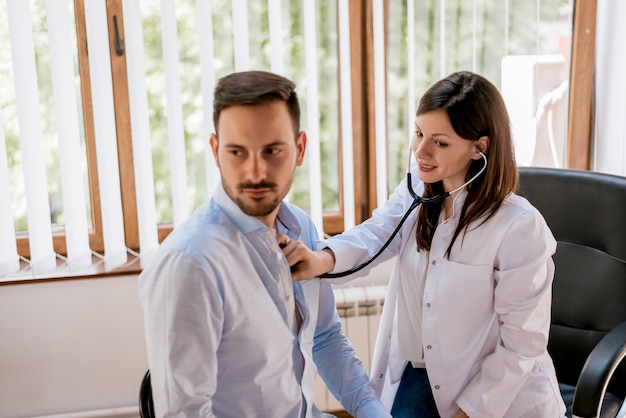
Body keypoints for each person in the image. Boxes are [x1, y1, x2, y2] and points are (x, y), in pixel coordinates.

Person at [282, 71, 567, 418]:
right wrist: (321, 259)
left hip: (498, 394)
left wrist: (469, 412)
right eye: (419, 133)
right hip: (421, 375)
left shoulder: (519, 228)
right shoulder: (417, 192)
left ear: (480, 147)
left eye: (440, 142)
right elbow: (375, 234)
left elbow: (522, 347)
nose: (421, 150)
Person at [139, 70, 390, 418]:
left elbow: (325, 338)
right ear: (215, 151)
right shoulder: (189, 265)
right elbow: (185, 413)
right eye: (237, 152)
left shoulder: (300, 226)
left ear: (299, 149)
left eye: (272, 151)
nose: (255, 172)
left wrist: (371, 411)